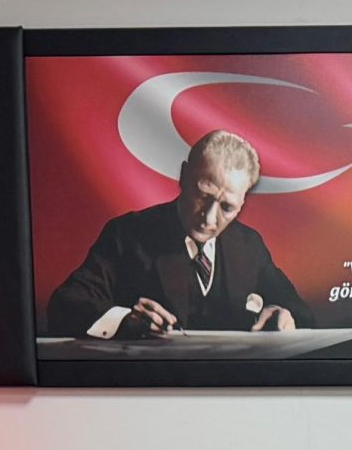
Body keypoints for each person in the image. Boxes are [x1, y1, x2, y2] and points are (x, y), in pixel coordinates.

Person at [45, 129, 310, 339]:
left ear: (243, 202)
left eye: (227, 207)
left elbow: (303, 315)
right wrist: (124, 320)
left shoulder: (250, 246)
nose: (209, 219)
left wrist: (284, 316)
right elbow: (65, 305)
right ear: (183, 176)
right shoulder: (126, 234)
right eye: (202, 196)